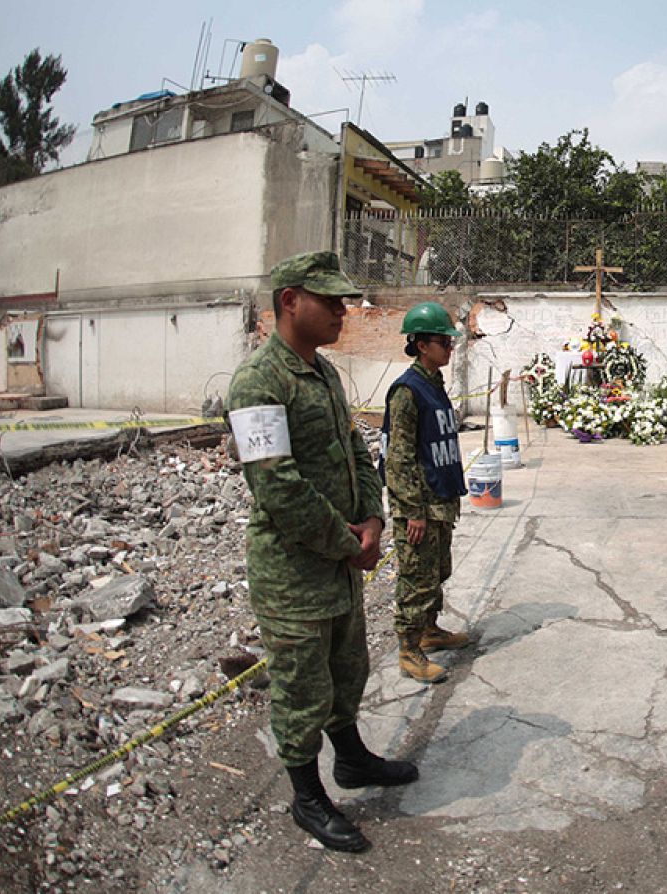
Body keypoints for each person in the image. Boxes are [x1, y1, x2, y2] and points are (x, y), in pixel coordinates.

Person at [226, 251, 416, 854]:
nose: (343, 311)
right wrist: (347, 543)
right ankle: (307, 797)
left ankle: (352, 759)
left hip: (341, 560)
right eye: (329, 301)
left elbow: (356, 451)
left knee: (345, 668)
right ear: (289, 301)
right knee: (301, 686)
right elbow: (276, 486)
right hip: (294, 572)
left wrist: (373, 520)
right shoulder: (258, 381)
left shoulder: (326, 374)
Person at [381, 302, 471, 685]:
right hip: (420, 507)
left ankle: (429, 631)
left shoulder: (434, 386)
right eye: (443, 342)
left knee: (436, 573)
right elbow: (398, 459)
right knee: (416, 580)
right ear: (421, 345)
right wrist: (412, 510)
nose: (450, 349)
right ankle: (409, 649)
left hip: (439, 503)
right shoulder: (407, 391)